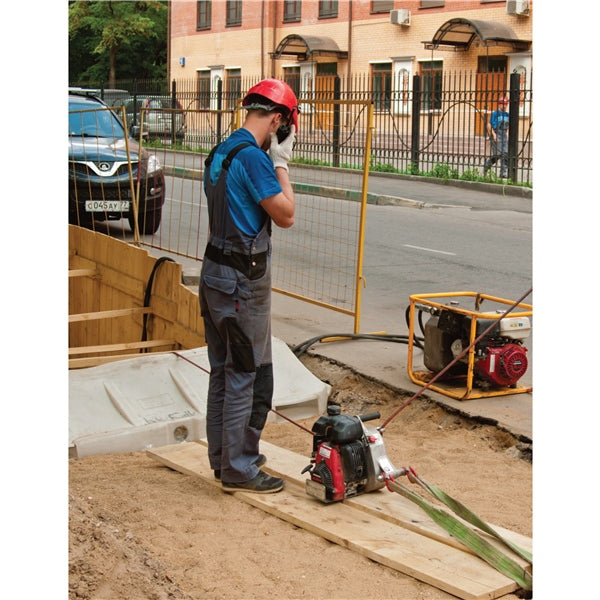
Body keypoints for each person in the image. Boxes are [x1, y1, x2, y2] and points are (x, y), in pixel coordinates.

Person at [198, 78, 298, 494]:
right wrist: (282, 164)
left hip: (214, 275)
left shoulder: (221, 149)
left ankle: (225, 460)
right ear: (278, 120)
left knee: (223, 371)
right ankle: (239, 468)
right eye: (284, 124)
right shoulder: (256, 160)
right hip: (244, 281)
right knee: (246, 374)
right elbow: (286, 214)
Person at [484, 95, 509, 179]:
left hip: (504, 135)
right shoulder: (495, 114)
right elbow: (489, 124)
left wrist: (507, 134)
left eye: (506, 104)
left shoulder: (507, 115)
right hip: (496, 134)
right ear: (499, 104)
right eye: (503, 104)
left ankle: (503, 173)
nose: (504, 106)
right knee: (497, 154)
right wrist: (494, 135)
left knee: (505, 154)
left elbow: (508, 126)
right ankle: (487, 165)